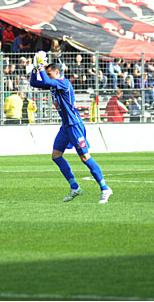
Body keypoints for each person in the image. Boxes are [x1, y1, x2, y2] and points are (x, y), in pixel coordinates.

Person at [29, 56, 113, 203]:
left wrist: (41, 66)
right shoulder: (54, 84)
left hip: (74, 125)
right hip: (66, 126)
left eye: (49, 74)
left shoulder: (63, 83)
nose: (46, 77)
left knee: (85, 157)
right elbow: (34, 83)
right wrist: (35, 69)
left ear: (56, 72)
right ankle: (74, 187)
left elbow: (46, 81)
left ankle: (105, 188)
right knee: (56, 156)